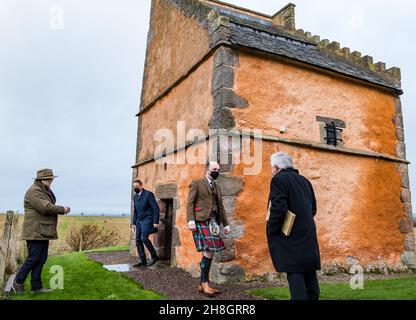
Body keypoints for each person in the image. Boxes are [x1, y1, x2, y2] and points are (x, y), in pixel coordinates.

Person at [266, 152, 321, 300]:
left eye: (271, 168)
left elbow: (278, 209)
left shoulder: (278, 180)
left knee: (294, 271)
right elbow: (313, 208)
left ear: (276, 167)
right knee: (309, 271)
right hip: (307, 233)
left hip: (289, 235)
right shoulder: (304, 181)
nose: (271, 171)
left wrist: (272, 229)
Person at [12, 168, 71, 294]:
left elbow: (48, 204)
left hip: (42, 230)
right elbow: (45, 207)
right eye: (50, 179)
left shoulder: (43, 190)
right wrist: (62, 209)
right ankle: (17, 281)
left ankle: (36, 286)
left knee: (41, 258)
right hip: (35, 230)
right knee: (34, 258)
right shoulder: (34, 191)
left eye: (52, 179)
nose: (51, 181)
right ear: (43, 180)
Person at [187, 161, 231, 297]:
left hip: (213, 222)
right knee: (209, 250)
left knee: (210, 251)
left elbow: (221, 207)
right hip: (200, 220)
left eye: (218, 169)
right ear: (207, 170)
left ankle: (202, 284)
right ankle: (205, 283)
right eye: (214, 169)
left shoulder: (217, 187)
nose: (216, 171)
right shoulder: (197, 183)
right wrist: (191, 220)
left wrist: (226, 224)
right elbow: (190, 202)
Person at [131, 179, 160, 268]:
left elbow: (156, 208)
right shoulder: (135, 197)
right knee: (138, 240)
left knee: (144, 238)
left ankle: (154, 256)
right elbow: (135, 211)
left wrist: (155, 221)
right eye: (134, 187)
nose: (135, 188)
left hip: (148, 219)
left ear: (141, 186)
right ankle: (143, 261)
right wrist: (133, 223)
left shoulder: (148, 194)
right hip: (139, 221)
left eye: (136, 187)